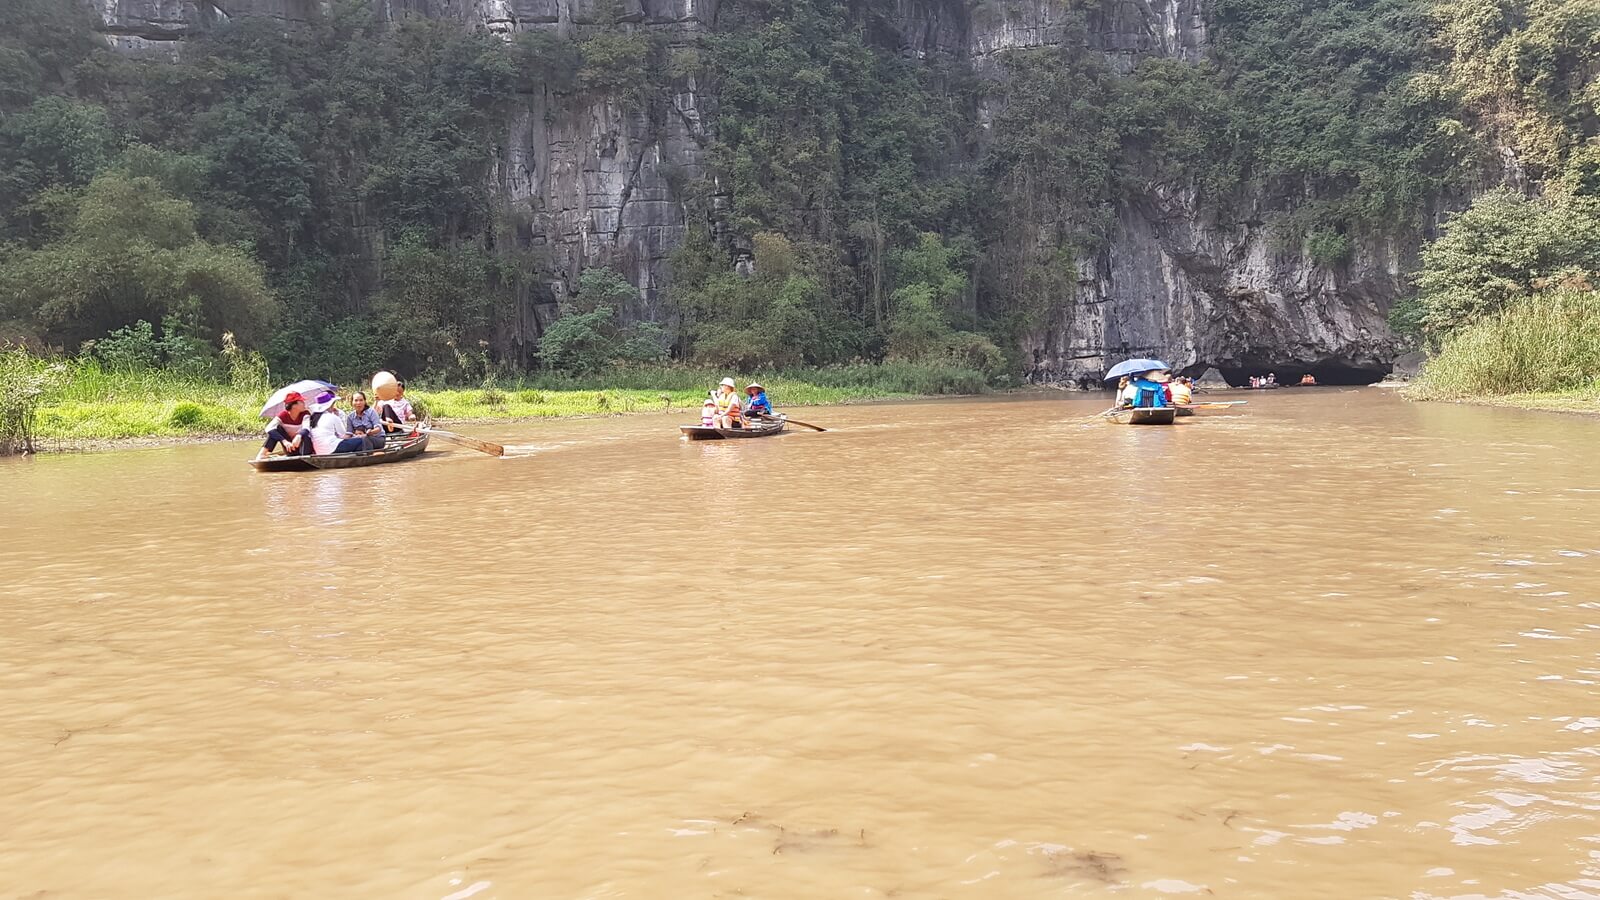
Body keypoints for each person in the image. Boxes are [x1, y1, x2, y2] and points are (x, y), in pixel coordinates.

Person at [303, 393, 368, 455]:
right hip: (332, 448)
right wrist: (357, 437)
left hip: (320, 451)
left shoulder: (313, 418)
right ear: (330, 405)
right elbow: (344, 436)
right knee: (362, 441)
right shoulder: (332, 417)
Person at [257, 392, 311, 460]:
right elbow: (268, 428)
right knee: (275, 429)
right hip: (290, 448)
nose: (304, 403)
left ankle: (304, 458)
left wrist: (299, 436)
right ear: (294, 405)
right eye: (301, 402)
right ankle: (261, 454)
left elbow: (306, 428)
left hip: (303, 447)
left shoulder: (305, 414)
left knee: (306, 434)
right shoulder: (283, 415)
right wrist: (284, 441)